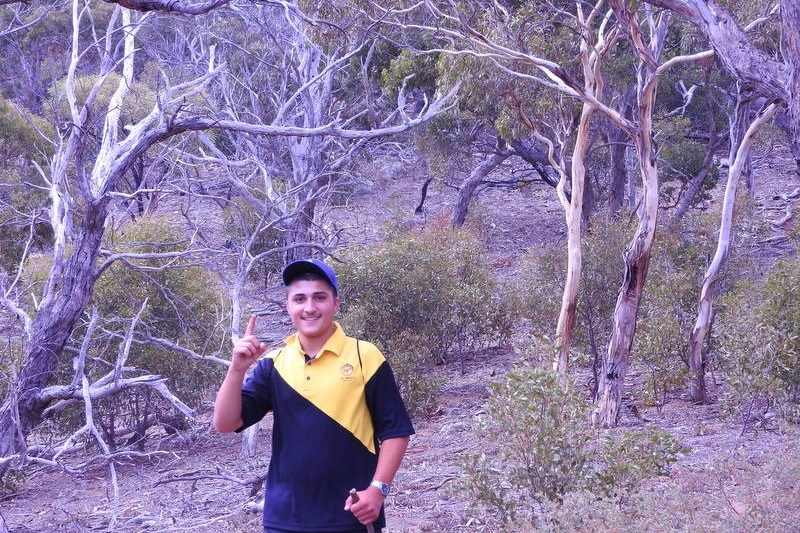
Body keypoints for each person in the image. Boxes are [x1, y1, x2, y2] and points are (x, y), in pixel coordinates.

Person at [213, 258, 414, 533]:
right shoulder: (274, 364)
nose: (309, 307)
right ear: (288, 306)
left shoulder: (365, 356)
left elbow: (396, 431)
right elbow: (225, 423)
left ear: (335, 303)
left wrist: (377, 491)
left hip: (352, 515)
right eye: (299, 299)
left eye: (319, 297)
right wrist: (236, 370)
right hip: (284, 519)